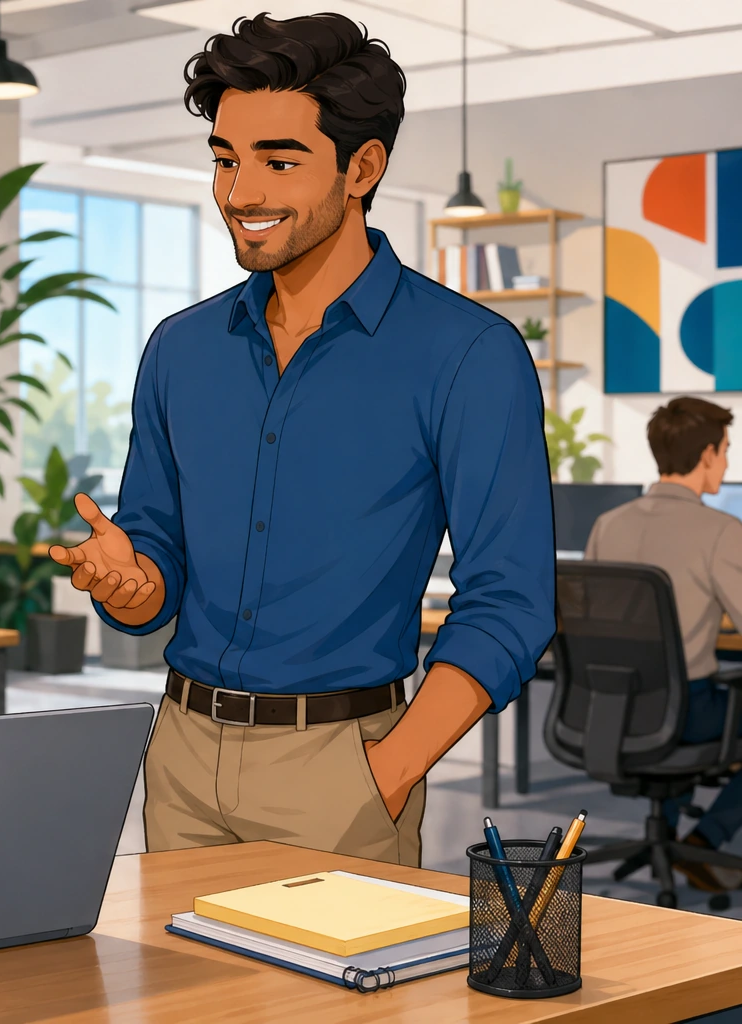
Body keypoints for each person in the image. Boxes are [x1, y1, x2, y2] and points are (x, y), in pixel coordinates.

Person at [49, 12, 555, 867]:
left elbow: (510, 599)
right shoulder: (181, 348)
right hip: (179, 750)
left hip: (344, 762)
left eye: (278, 161)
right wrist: (128, 581)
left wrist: (388, 771)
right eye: (225, 159)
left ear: (362, 168)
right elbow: (155, 569)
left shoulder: (467, 353)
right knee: (188, 1002)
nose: (241, 192)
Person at [585, 396, 742, 893]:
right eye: (727, 449)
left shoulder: (607, 524)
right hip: (683, 713)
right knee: (706, 694)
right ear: (709, 455)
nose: (727, 461)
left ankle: (668, 835)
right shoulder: (721, 531)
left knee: (674, 688)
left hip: (607, 708)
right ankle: (704, 842)